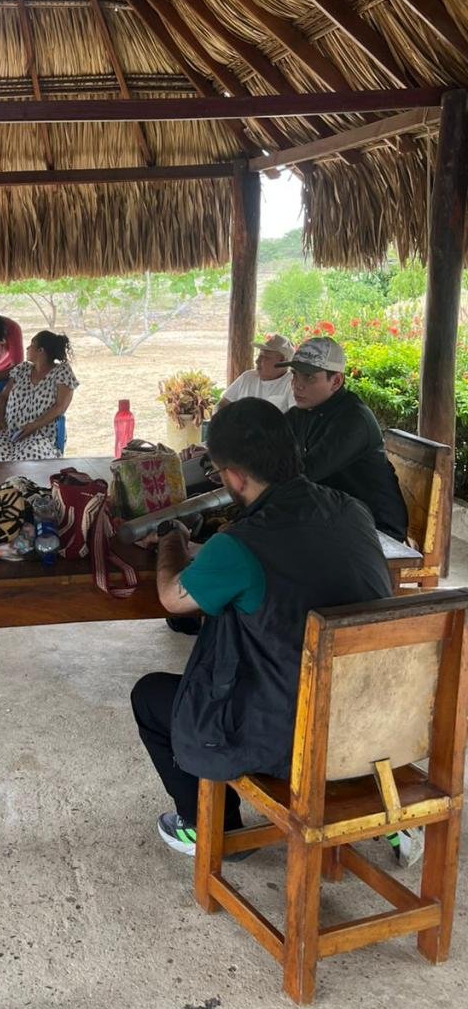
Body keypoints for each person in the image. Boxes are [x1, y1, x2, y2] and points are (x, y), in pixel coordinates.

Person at [129, 398, 409, 860]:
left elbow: (172, 597)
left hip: (292, 735)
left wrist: (172, 541)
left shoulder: (238, 544)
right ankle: (373, 800)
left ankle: (215, 831)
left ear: (234, 476)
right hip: (373, 721)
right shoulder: (353, 511)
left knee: (151, 696)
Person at [283, 336, 408, 541]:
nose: (297, 385)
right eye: (295, 375)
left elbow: (307, 472)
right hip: (337, 512)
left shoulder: (353, 420)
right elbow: (266, 440)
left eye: (309, 377)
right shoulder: (304, 411)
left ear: (337, 381)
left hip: (376, 527)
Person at [0, 331, 77, 463]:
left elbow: (60, 407)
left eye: (31, 345)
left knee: (30, 457)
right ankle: (0, 484)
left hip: (40, 434)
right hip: (10, 431)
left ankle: (23, 484)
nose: (27, 348)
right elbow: (3, 396)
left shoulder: (62, 372)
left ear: (41, 351)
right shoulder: (22, 369)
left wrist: (33, 426)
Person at [216, 334, 295, 413]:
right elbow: (223, 404)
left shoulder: (291, 383)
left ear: (283, 361)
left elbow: (295, 418)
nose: (257, 361)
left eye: (265, 357)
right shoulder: (248, 377)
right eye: (259, 356)